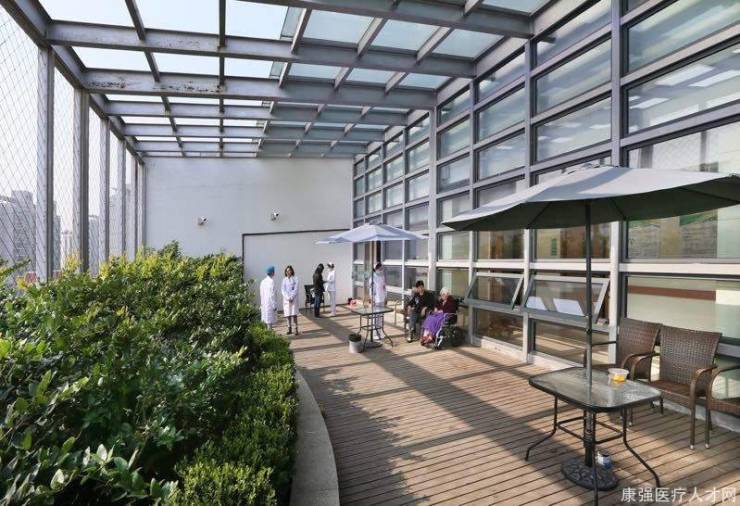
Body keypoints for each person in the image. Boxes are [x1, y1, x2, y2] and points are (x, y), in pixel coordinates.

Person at [368, 262, 387, 342]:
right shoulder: (372, 277)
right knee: (375, 317)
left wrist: (386, 297)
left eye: (381, 267)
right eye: (379, 268)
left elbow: (384, 288)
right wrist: (372, 299)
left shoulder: (382, 276)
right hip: (376, 299)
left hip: (382, 299)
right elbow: (371, 289)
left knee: (381, 317)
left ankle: (380, 332)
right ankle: (375, 334)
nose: (380, 269)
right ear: (375, 269)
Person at [281, 265, 299, 335]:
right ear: (285, 272)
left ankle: (296, 329)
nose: (288, 272)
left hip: (293, 299)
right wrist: (288, 298)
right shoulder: (284, 280)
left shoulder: (295, 279)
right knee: (288, 315)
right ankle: (289, 328)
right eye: (287, 271)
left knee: (294, 314)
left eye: (289, 270)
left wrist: (291, 297)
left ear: (292, 271)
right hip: (287, 300)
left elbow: (296, 289)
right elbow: (283, 290)